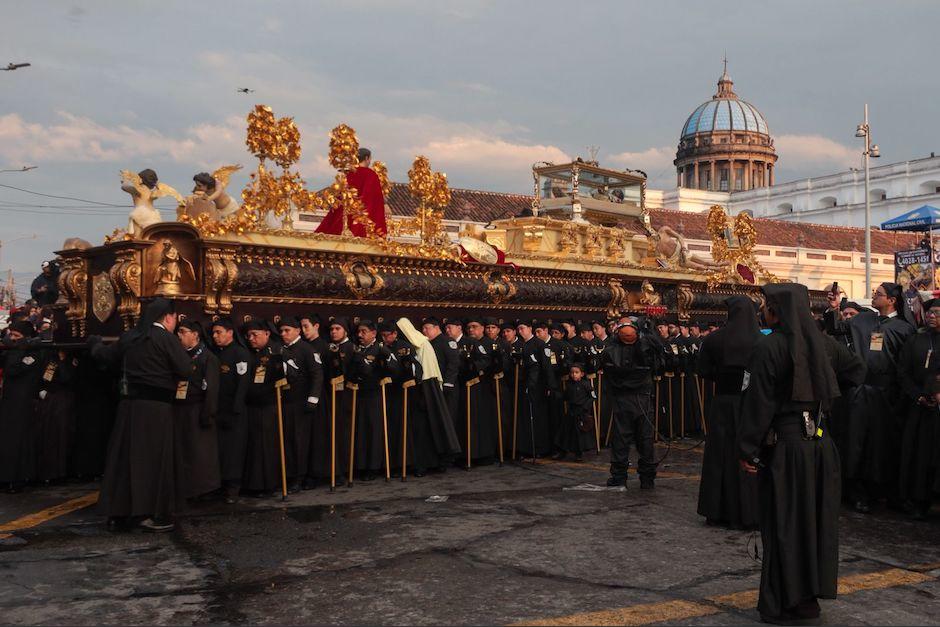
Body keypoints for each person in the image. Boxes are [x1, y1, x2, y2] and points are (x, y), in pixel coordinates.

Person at [738, 283, 865, 625]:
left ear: (776, 309)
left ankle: (784, 602)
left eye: (766, 305)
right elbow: (857, 371)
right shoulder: (824, 344)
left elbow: (758, 404)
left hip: (786, 447)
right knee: (815, 523)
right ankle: (809, 599)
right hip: (821, 446)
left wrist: (747, 450)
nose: (763, 310)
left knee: (785, 524)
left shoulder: (769, 347)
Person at [90, 298, 191, 532]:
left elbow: (105, 357)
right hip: (155, 410)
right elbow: (185, 369)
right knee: (151, 462)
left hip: (128, 407)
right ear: (168, 317)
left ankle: (118, 511)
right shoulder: (165, 338)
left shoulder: (130, 337)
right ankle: (145, 513)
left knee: (124, 459)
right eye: (175, 318)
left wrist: (94, 344)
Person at [842, 282, 916, 513]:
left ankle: (883, 491)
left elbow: (907, 365)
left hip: (888, 396)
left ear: (892, 300)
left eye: (879, 294)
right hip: (862, 393)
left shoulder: (904, 329)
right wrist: (835, 306)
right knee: (857, 443)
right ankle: (856, 491)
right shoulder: (864, 320)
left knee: (882, 445)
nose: (874, 296)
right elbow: (838, 325)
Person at [696, 296, 761, 529]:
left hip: (723, 401)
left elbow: (703, 370)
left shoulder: (714, 339)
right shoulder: (760, 340)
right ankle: (748, 511)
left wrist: (722, 377)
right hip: (750, 404)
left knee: (719, 456)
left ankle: (716, 509)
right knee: (748, 455)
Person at [602, 322, 660, 489]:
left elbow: (608, 375)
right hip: (643, 399)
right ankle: (647, 479)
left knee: (621, 440)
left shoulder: (610, 351)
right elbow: (659, 358)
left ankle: (619, 477)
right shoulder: (646, 350)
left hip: (622, 399)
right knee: (645, 440)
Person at [896, 297, 940, 519]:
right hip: (919, 407)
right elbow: (903, 371)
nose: (932, 316)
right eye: (930, 313)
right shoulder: (916, 340)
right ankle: (918, 501)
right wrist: (918, 396)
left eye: (937, 313)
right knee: (919, 455)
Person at [173, 319, 221, 500]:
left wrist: (208, 413)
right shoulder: (180, 355)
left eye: (183, 331)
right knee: (184, 450)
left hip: (198, 409)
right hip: (180, 409)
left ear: (195, 334)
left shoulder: (208, 358)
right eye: (178, 331)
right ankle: (185, 488)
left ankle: (203, 489)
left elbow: (212, 388)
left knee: (200, 452)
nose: (179, 335)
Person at [278, 317, 323, 493]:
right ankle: (288, 474)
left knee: (299, 441)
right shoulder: (282, 349)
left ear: (297, 331)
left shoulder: (307, 349)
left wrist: (312, 399)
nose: (283, 334)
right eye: (281, 331)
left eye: (287, 330)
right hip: (286, 400)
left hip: (301, 402)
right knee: (288, 440)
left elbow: (317, 375)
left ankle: (299, 477)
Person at [242, 319, 285, 496]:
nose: (251, 338)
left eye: (255, 335)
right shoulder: (250, 353)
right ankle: (253, 483)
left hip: (268, 406)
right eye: (249, 335)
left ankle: (268, 484)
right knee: (253, 447)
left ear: (267, 334)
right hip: (252, 406)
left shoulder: (276, 353)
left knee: (266, 447)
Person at [347, 319, 395, 481]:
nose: (360, 335)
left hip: (375, 395)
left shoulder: (381, 349)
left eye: (363, 332)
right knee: (360, 431)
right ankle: (361, 465)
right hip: (359, 394)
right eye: (358, 332)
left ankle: (373, 467)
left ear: (373, 333)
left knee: (374, 431)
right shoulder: (357, 349)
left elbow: (394, 369)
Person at [210, 317, 251, 503]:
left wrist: (235, 408)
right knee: (220, 451)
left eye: (219, 332)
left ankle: (233, 488)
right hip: (218, 410)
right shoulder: (216, 354)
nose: (215, 336)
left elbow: (243, 383)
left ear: (230, 333)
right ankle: (219, 484)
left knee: (234, 451)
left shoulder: (240, 353)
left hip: (235, 412)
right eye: (213, 333)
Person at [0, 320, 42, 492]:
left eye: (17, 336)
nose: (13, 339)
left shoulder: (33, 354)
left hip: (23, 403)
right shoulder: (13, 351)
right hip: (9, 403)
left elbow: (13, 369)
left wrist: (20, 349)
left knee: (19, 442)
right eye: (11, 335)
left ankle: (17, 478)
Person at [315, 148, 388, 237]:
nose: (370, 161)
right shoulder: (371, 175)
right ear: (366, 158)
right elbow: (375, 198)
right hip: (362, 218)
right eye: (370, 159)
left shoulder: (349, 174)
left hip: (346, 215)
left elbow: (340, 196)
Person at [34, 347, 78, 484]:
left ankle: (61, 471)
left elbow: (66, 378)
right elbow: (47, 379)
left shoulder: (68, 360)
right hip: (53, 402)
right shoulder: (53, 360)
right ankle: (52, 472)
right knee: (51, 436)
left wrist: (63, 361)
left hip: (62, 402)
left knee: (62, 436)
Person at [557, 364, 596, 462]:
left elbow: (593, 397)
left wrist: (585, 407)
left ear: (582, 374)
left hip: (581, 412)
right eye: (572, 373)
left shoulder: (586, 384)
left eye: (576, 372)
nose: (574, 375)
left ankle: (579, 454)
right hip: (571, 411)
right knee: (565, 431)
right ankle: (563, 451)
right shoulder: (569, 385)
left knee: (579, 434)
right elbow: (565, 396)